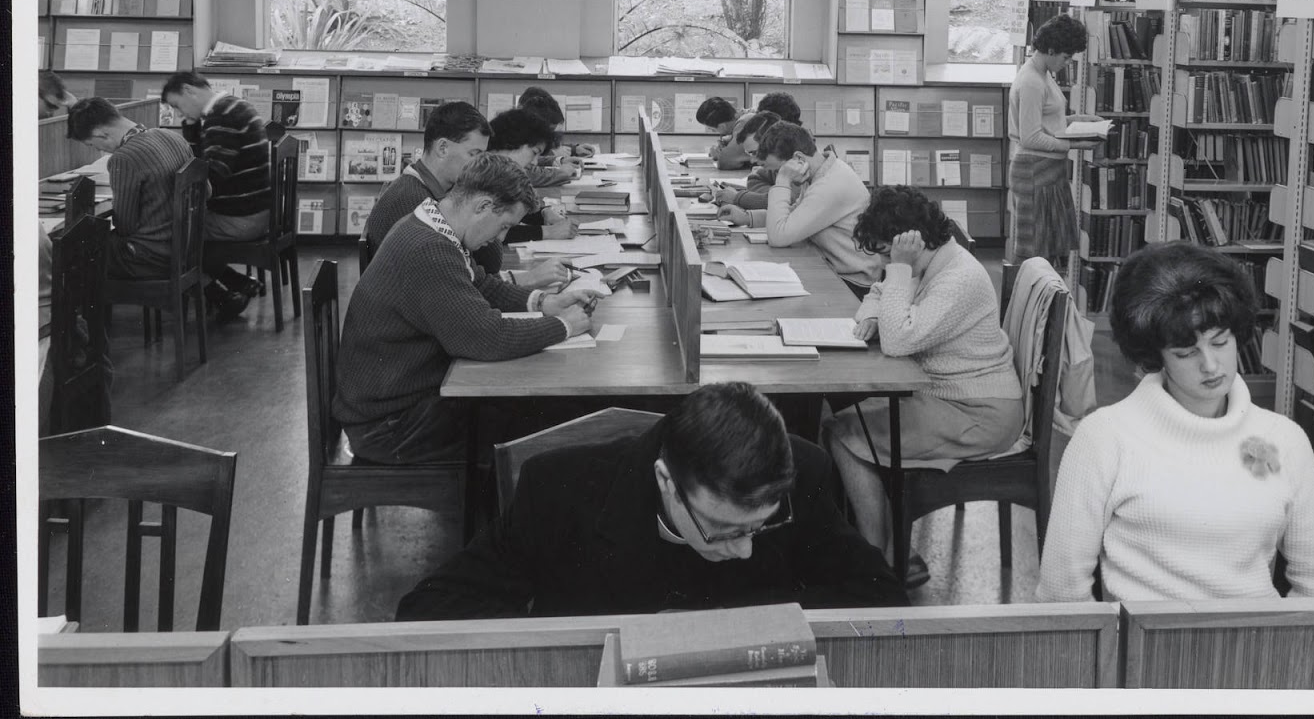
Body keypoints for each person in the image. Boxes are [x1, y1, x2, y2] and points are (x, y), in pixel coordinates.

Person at [394, 381, 907, 619]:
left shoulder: (803, 473)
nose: (745, 550)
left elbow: (880, 595)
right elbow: (429, 610)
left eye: (759, 527)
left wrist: (757, 622)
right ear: (665, 480)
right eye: (723, 530)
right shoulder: (559, 489)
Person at [1035, 241, 1314, 604]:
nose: (1211, 365)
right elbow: (1061, 592)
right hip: (1143, 653)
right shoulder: (1104, 439)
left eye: (1220, 341)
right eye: (1186, 352)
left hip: (1257, 649)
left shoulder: (1284, 440)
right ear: (1155, 356)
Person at [333, 154, 603, 465]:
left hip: (397, 404)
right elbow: (486, 337)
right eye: (504, 226)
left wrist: (543, 303)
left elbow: (482, 285)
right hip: (391, 427)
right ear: (483, 206)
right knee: (548, 426)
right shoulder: (429, 248)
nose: (500, 239)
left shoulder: (433, 223)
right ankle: (502, 509)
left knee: (537, 413)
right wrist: (563, 325)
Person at [822, 187, 1024, 585]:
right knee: (847, 416)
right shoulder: (929, 261)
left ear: (908, 241)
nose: (883, 262)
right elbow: (879, 291)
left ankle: (880, 559)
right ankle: (885, 546)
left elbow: (898, 342)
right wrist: (872, 316)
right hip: (949, 397)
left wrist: (898, 272)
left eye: (885, 252)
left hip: (980, 412)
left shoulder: (958, 279)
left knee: (842, 431)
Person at [717, 121, 882, 296]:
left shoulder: (830, 185)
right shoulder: (820, 171)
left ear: (798, 159)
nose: (779, 174)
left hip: (852, 282)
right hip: (830, 266)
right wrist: (747, 217)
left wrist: (783, 180)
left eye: (780, 170)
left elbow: (779, 237)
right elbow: (793, 215)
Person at [161, 70, 271, 320]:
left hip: (242, 220)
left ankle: (219, 294)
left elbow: (212, 175)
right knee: (181, 227)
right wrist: (191, 127)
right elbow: (204, 163)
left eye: (178, 106)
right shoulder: (232, 105)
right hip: (253, 210)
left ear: (189, 90)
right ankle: (236, 282)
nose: (179, 114)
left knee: (165, 232)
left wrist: (170, 184)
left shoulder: (221, 116)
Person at [364, 101, 506, 275]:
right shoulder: (414, 201)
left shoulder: (436, 191)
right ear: (443, 148)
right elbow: (485, 265)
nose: (480, 165)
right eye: (474, 154)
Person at [66, 96, 196, 281]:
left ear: (101, 133)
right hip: (186, 246)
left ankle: (82, 310)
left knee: (71, 250)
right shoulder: (172, 136)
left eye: (91, 144)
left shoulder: (124, 157)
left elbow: (125, 226)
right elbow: (205, 191)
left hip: (148, 256)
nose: (97, 150)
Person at [1006, 13, 1100, 264]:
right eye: (1066, 57)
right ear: (1050, 49)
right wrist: (1074, 144)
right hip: (1035, 170)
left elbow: (1046, 122)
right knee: (1035, 249)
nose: (1067, 63)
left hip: (1048, 170)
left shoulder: (1043, 74)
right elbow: (1031, 137)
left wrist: (1076, 121)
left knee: (1049, 248)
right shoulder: (1032, 82)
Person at [486, 108, 576, 243]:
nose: (534, 162)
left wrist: (543, 214)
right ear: (512, 142)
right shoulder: (479, 176)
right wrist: (547, 232)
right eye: (534, 153)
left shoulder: (497, 173)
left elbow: (508, 212)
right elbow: (491, 230)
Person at [515, 87, 588, 187]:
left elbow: (529, 163)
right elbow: (522, 174)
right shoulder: (508, 137)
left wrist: (558, 160)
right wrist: (560, 173)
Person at [710, 110, 780, 211]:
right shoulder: (774, 167)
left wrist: (738, 198)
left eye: (755, 152)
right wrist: (771, 194)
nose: (752, 161)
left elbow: (785, 202)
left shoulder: (797, 166)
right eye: (750, 154)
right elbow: (755, 180)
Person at [696, 96, 750, 170]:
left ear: (722, 126)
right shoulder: (742, 118)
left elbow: (726, 161)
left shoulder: (745, 122)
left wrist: (717, 155)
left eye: (713, 129)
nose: (714, 132)